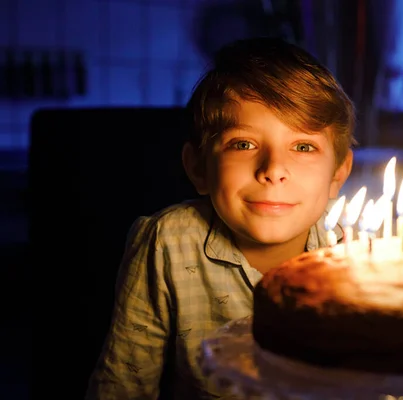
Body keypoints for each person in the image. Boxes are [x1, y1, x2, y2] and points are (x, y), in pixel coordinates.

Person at [85, 37, 355, 399]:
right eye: (243, 144)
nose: (274, 170)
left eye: (303, 146)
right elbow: (123, 386)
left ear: (338, 173)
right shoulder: (167, 241)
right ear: (198, 168)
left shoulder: (357, 253)